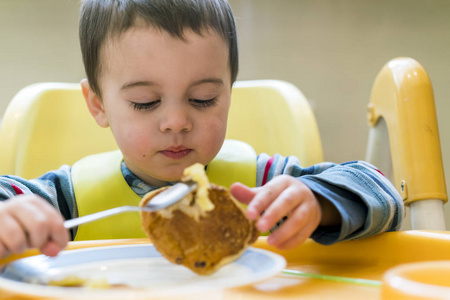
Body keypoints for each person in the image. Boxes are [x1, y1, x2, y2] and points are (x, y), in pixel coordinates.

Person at [0, 0, 403, 259]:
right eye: (145, 102)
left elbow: (383, 194)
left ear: (228, 94)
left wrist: (320, 202)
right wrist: (11, 217)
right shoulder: (68, 199)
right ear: (98, 104)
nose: (177, 121)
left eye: (203, 98)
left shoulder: (263, 186)